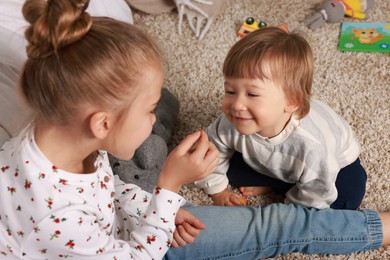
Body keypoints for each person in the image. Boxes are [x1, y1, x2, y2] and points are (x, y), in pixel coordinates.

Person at [0, 0, 389, 259]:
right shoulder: (56, 216)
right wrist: (168, 190)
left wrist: (152, 208)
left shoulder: (59, 138)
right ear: (102, 123)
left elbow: (106, 188)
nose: (153, 119)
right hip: (136, 250)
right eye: (149, 110)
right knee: (273, 227)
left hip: (126, 227)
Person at [195, 27, 367, 210]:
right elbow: (211, 152)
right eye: (230, 91)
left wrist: (289, 213)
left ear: (291, 102)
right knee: (218, 163)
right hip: (279, 162)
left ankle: (282, 186)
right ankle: (280, 184)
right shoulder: (233, 120)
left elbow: (318, 191)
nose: (237, 105)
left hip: (335, 167)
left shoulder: (312, 146)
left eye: (252, 94)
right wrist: (218, 191)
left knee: (345, 197)